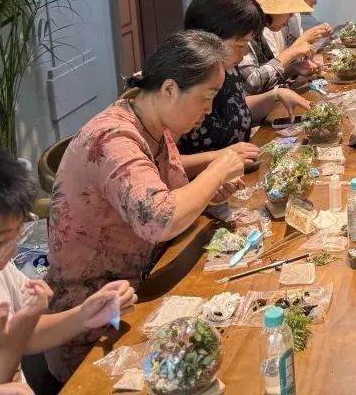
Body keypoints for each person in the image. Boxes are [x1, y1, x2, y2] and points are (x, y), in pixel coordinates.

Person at [45, 31, 245, 381]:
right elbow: (160, 219)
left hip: (147, 283)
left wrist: (207, 192)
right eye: (207, 97)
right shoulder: (113, 138)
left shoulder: (152, 122)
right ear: (169, 89)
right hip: (97, 323)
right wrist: (217, 169)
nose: (209, 110)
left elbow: (166, 194)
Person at [0, 141, 137, 392]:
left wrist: (84, 316)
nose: (10, 253)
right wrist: (6, 356)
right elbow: (10, 348)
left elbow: (23, 336)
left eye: (14, 239)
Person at [178, 0, 310, 167]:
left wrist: (275, 95)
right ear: (209, 38)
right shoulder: (182, 83)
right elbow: (165, 165)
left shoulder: (227, 68)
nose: (246, 51)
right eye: (240, 45)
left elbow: (236, 108)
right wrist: (222, 157)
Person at [239, 0, 332, 94]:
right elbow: (251, 85)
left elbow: (265, 82)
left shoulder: (260, 29)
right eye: (289, 11)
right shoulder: (242, 31)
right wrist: (291, 53)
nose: (292, 16)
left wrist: (293, 69)